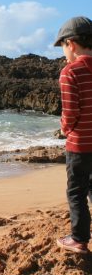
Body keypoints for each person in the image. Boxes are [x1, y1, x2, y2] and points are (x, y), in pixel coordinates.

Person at [54, 16, 92, 254]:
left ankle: (79, 239)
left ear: (71, 44)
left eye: (63, 49)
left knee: (76, 191)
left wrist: (64, 129)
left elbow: (71, 112)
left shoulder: (70, 72)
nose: (64, 55)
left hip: (80, 145)